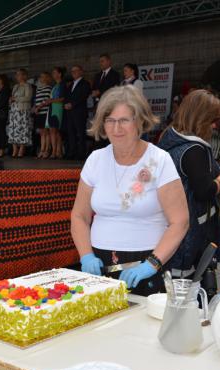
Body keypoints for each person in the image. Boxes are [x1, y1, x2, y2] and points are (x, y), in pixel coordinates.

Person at [71, 85, 189, 296]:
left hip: (147, 266)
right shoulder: (95, 160)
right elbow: (79, 216)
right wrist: (86, 255)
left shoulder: (159, 160)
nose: (117, 128)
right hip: (100, 267)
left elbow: (180, 221)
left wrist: (151, 264)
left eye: (124, 120)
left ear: (140, 122)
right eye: (110, 121)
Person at [157, 90, 220, 278]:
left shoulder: (169, 139)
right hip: (191, 236)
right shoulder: (194, 150)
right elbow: (203, 192)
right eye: (215, 121)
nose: (216, 127)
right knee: (189, 290)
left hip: (172, 230)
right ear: (202, 119)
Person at [64, 65, 91, 160]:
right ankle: (72, 152)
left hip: (79, 112)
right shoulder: (71, 84)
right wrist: (66, 104)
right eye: (72, 71)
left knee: (80, 133)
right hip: (70, 112)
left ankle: (81, 154)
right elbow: (66, 95)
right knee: (71, 133)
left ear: (81, 72)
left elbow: (83, 96)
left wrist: (72, 104)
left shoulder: (85, 83)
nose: (73, 73)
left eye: (76, 71)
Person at [7, 68, 34, 158]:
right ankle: (15, 149)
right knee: (13, 130)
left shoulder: (27, 86)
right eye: (16, 74)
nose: (17, 76)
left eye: (19, 74)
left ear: (24, 76)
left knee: (23, 129)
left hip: (23, 110)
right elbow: (12, 97)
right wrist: (11, 100)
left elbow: (28, 98)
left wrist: (16, 99)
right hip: (14, 111)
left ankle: (22, 149)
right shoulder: (15, 86)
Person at [44, 66, 66, 159]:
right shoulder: (55, 85)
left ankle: (57, 151)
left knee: (56, 130)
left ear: (60, 74)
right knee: (52, 130)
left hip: (58, 108)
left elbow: (63, 98)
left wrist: (51, 101)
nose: (53, 74)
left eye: (55, 72)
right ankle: (55, 151)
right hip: (52, 108)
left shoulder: (62, 84)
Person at [33, 72, 53, 158]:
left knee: (46, 132)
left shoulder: (49, 88)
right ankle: (42, 149)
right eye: (41, 77)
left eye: (44, 77)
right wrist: (34, 107)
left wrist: (39, 107)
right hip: (38, 112)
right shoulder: (38, 89)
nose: (42, 78)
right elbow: (36, 100)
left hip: (45, 112)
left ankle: (46, 150)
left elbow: (46, 100)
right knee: (41, 133)